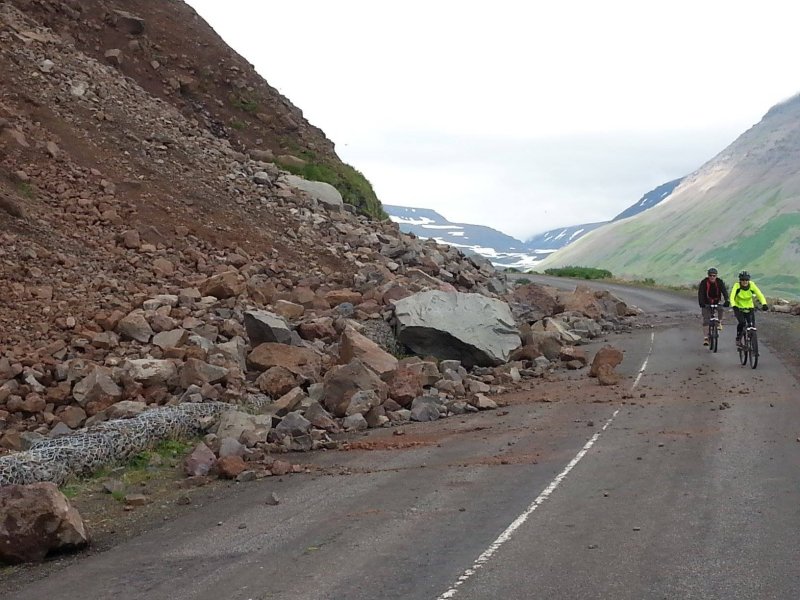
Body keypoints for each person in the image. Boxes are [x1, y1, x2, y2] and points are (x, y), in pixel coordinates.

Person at [729, 271, 768, 347]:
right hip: (738, 307)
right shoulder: (737, 286)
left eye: (746, 280)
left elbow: (760, 295)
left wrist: (764, 304)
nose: (745, 282)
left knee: (752, 325)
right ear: (740, 280)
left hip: (749, 307)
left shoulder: (752, 285)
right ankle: (738, 338)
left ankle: (753, 345)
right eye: (743, 280)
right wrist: (734, 305)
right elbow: (732, 297)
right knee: (742, 322)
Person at [697, 267, 729, 346]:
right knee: (706, 320)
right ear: (708, 276)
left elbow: (724, 291)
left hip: (716, 301)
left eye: (714, 276)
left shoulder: (719, 282)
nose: (712, 277)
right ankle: (706, 338)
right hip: (706, 302)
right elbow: (700, 293)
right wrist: (701, 303)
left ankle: (719, 322)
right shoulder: (704, 282)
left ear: (716, 276)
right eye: (710, 275)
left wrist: (727, 300)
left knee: (721, 309)